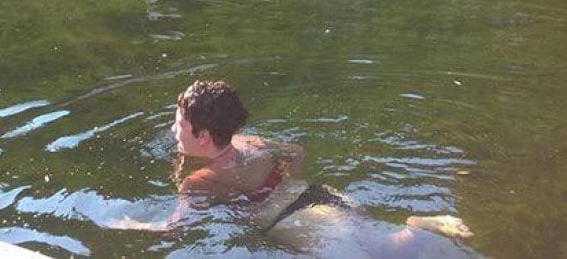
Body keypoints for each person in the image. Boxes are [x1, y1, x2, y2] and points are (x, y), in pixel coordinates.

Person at [113, 80, 473, 256]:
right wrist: (288, 184)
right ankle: (422, 228)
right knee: (380, 244)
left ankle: (423, 230)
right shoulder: (252, 142)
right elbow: (297, 152)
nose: (173, 129)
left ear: (204, 135)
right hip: (320, 197)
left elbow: (174, 229)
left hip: (302, 223)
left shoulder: (200, 181)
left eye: (178, 123)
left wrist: (128, 223)